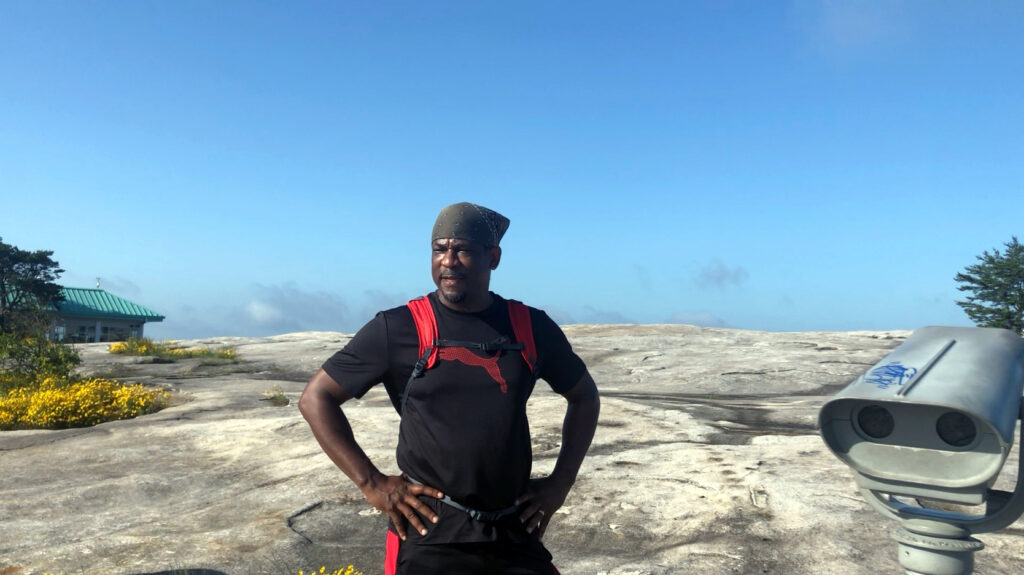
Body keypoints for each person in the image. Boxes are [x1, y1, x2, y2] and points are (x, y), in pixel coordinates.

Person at [299, 202, 600, 575]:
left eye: (463, 250)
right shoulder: (398, 328)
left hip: (512, 529)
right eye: (440, 249)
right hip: (429, 532)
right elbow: (317, 397)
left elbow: (584, 396)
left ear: (494, 257)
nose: (449, 261)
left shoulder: (530, 327)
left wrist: (560, 483)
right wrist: (373, 483)